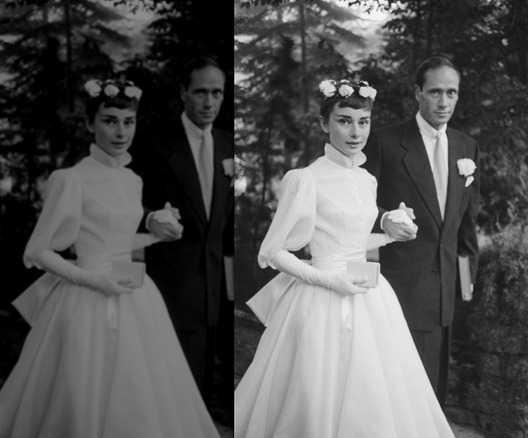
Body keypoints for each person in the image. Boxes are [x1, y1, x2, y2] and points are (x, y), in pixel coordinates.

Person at [234, 79, 455, 438]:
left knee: (373, 388)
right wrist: (327, 280)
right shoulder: (305, 179)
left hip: (370, 293)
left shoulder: (366, 179)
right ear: (324, 123)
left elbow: (351, 240)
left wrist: (390, 233)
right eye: (344, 120)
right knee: (317, 389)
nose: (355, 131)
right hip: (321, 296)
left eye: (363, 121)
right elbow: (272, 252)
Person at [0, 79, 218, 438]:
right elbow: (37, 252)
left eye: (128, 121)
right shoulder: (70, 179)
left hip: (133, 289)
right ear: (89, 124)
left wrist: (155, 233)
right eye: (109, 120)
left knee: (138, 385)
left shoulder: (131, 179)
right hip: (85, 294)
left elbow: (115, 240)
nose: (120, 131)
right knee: (83, 384)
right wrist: (92, 280)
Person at [362, 56, 480, 404]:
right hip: (398, 287)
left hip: (445, 290)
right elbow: (357, 208)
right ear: (418, 93)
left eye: (451, 93)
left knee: (433, 394)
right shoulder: (385, 142)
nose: (444, 102)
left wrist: (465, 281)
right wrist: (387, 218)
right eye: (435, 92)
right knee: (399, 395)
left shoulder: (466, 148)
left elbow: (467, 223)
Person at [128, 56, 234, 411]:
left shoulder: (229, 144)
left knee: (202, 394)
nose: (209, 102)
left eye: (216, 92)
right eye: (200, 92)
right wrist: (149, 218)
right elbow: (121, 202)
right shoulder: (153, 144)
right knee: (169, 395)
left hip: (217, 289)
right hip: (169, 287)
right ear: (183, 94)